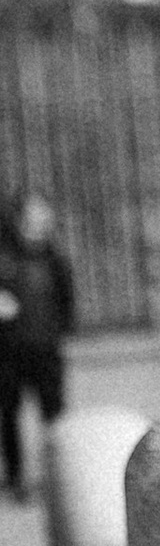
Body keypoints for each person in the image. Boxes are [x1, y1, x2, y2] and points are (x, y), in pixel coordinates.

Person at [0, 191, 75, 501]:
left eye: (43, 219)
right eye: (31, 219)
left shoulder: (56, 259)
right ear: (18, 222)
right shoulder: (4, 258)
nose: (37, 226)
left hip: (46, 349)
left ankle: (59, 477)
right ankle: (17, 478)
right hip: (8, 351)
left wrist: (61, 332)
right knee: (9, 413)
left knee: (54, 415)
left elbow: (66, 302)